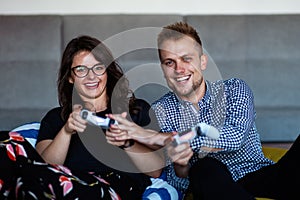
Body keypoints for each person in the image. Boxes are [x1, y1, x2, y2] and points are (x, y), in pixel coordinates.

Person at [105, 22, 300, 200]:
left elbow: (235, 137)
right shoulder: (160, 110)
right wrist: (181, 165)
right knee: (203, 167)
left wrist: (169, 138)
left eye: (186, 59)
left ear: (203, 62)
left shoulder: (234, 89)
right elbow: (178, 181)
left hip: (259, 176)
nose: (179, 69)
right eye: (169, 62)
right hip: (211, 185)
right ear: (163, 70)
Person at [0, 35, 178, 200]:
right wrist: (67, 131)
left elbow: (156, 171)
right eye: (81, 70)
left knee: (37, 183)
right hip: (61, 180)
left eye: (98, 68)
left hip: (112, 187)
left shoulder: (135, 110)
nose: (91, 76)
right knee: (6, 142)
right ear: (70, 77)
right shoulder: (57, 117)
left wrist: (127, 142)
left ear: (107, 71)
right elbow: (41, 166)